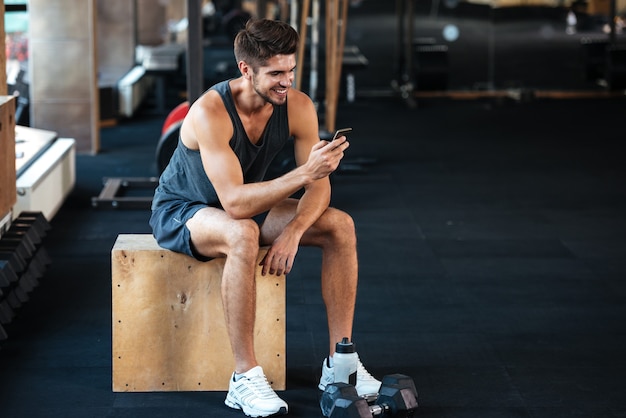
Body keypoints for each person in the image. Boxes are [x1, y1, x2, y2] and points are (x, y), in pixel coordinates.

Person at [150, 18, 380, 417]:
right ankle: (244, 377)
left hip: (247, 204)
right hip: (185, 210)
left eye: (290, 71)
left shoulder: (298, 105)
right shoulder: (210, 112)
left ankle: (339, 364)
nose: (285, 81)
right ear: (246, 70)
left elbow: (319, 186)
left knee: (340, 225)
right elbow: (236, 205)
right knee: (241, 233)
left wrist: (294, 229)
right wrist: (304, 174)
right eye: (275, 73)